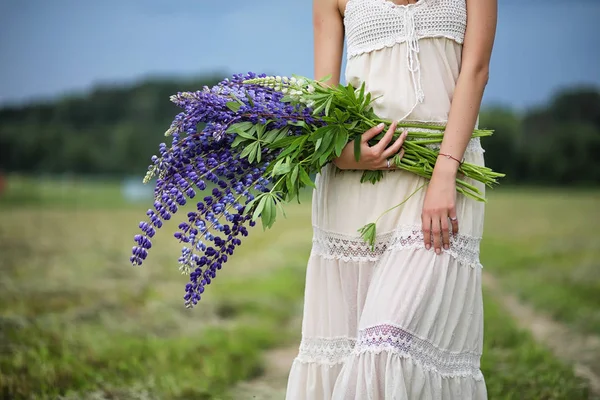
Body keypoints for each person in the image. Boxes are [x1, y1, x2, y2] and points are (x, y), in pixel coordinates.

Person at [285, 0, 497, 398]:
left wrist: (445, 171)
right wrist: (344, 154)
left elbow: (476, 70)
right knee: (353, 349)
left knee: (388, 341)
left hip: (442, 179)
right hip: (357, 189)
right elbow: (324, 96)